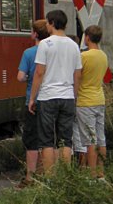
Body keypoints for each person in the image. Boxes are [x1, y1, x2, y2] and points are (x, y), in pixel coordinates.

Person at [27, 9, 81, 174]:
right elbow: (77, 74)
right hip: (68, 97)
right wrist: (75, 96)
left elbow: (39, 72)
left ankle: (50, 177)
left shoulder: (45, 44)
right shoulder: (74, 45)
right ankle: (65, 175)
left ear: (51, 23)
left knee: (47, 140)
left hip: (48, 97)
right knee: (65, 140)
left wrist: (32, 98)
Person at [16, 18, 49, 188]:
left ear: (35, 34)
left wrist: (29, 77)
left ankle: (30, 177)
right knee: (49, 139)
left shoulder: (29, 53)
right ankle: (46, 174)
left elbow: (21, 76)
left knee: (32, 140)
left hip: (33, 100)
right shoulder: (53, 50)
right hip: (52, 99)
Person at [74, 24, 108, 181]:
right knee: (101, 139)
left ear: (87, 37)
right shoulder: (103, 56)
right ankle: (101, 173)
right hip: (100, 99)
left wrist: (74, 96)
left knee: (89, 140)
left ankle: (91, 174)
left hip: (86, 101)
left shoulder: (83, 57)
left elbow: (78, 77)